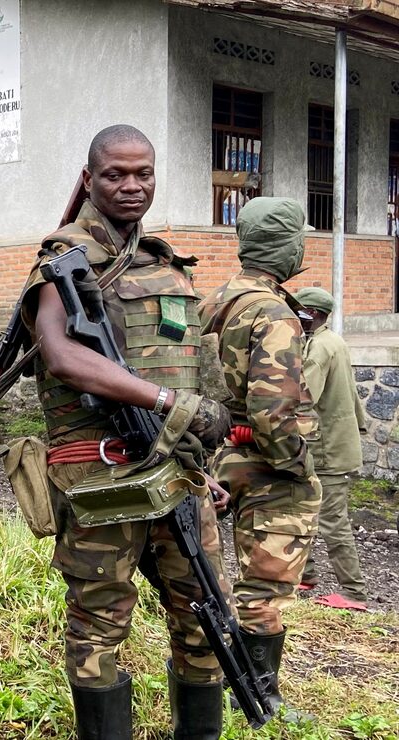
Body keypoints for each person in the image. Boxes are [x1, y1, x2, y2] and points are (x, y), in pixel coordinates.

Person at [20, 124, 233, 740]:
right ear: (89, 180)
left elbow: (191, 364)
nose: (132, 186)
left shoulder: (160, 261)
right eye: (116, 174)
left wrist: (202, 466)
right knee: (99, 626)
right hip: (102, 476)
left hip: (177, 476)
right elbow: (59, 354)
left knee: (205, 616)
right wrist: (170, 402)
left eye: (144, 174)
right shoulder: (64, 260)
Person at [199, 196, 321, 713]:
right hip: (268, 467)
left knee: (216, 577)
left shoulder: (213, 302)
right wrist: (298, 466)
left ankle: (224, 683)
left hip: (215, 459)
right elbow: (272, 413)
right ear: (287, 247)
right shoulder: (273, 312)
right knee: (264, 589)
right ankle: (259, 697)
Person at [294, 286, 369, 611]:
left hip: (327, 449)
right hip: (331, 444)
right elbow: (352, 396)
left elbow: (302, 395)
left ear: (316, 315)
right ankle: (305, 575)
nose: (296, 319)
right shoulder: (331, 340)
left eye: (301, 314)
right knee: (302, 508)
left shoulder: (320, 349)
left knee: (332, 521)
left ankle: (353, 593)